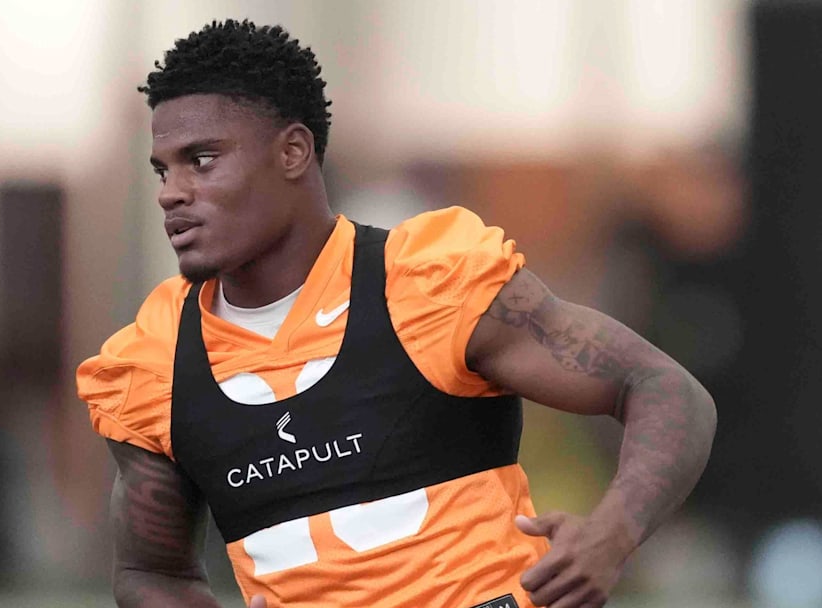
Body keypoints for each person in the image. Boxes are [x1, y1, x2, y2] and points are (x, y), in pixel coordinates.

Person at [76, 19, 716, 608]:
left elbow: (664, 387)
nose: (171, 193)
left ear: (292, 152)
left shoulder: (428, 282)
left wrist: (611, 535)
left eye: (203, 159)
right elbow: (152, 571)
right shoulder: (153, 362)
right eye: (162, 168)